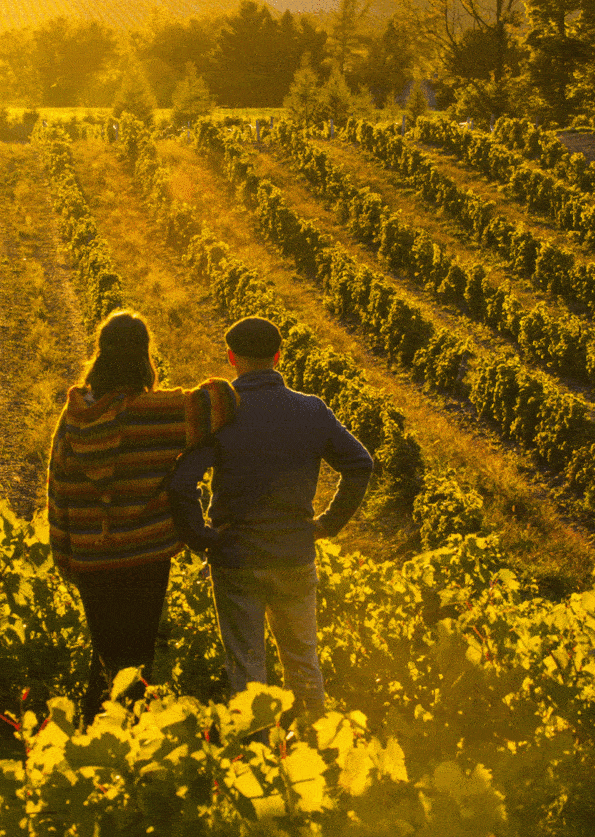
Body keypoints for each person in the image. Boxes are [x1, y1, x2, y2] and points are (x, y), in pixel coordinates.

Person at [168, 316, 374, 718]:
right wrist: (327, 524)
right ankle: (317, 751)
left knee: (246, 669)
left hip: (236, 558)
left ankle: (255, 757)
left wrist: (203, 538)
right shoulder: (311, 410)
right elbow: (359, 463)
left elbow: (181, 484)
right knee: (303, 663)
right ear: (279, 357)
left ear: (231, 358)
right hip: (294, 556)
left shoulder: (224, 413)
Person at [47, 310, 239, 724]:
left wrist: (65, 552)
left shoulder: (75, 414)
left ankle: (94, 733)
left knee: (106, 652)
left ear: (99, 356)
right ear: (143, 357)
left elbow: (57, 486)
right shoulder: (156, 411)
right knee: (139, 654)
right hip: (145, 557)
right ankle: (131, 737)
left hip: (90, 557)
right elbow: (221, 401)